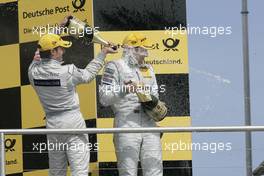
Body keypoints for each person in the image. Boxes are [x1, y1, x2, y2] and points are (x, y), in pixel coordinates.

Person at [28, 33, 116, 176]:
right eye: (60, 48)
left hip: (52, 125)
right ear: (53, 52)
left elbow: (39, 51)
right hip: (72, 122)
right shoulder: (67, 71)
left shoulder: (32, 72)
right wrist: (103, 53)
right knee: (79, 170)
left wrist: (58, 29)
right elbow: (88, 76)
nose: (63, 51)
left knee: (56, 172)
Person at [99, 33, 163, 176]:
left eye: (145, 51)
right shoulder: (114, 66)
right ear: (131, 49)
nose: (145, 55)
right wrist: (125, 90)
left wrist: (154, 106)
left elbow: (156, 96)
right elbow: (104, 98)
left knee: (155, 172)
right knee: (128, 172)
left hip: (149, 124)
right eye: (141, 51)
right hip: (126, 125)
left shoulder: (149, 69)